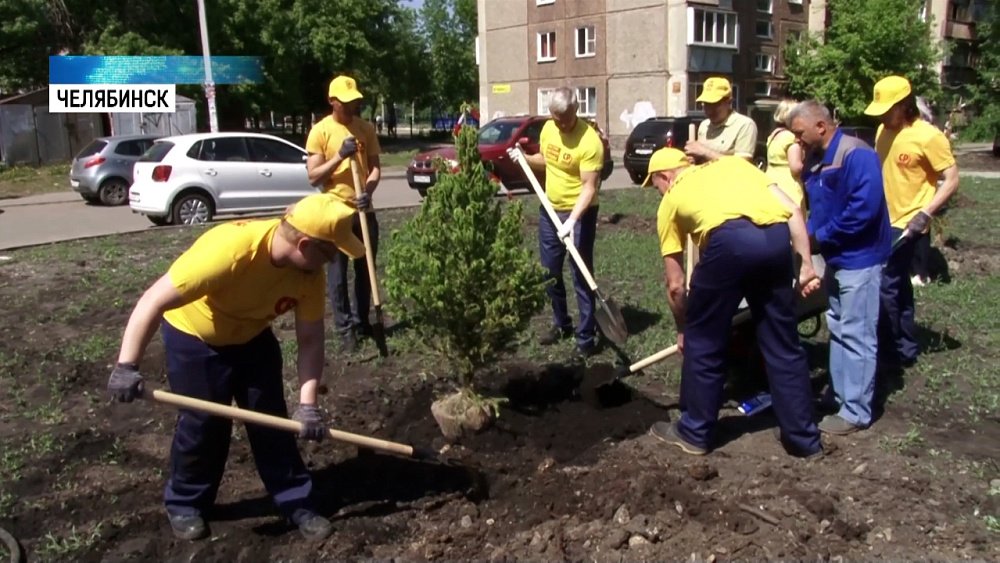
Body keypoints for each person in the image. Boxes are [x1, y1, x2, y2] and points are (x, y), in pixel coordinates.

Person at [106, 194, 366, 541]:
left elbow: (310, 340)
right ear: (304, 244)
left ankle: (295, 499)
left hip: (252, 338)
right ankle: (186, 503)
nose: (332, 261)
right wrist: (127, 364)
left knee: (271, 420)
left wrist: (308, 406)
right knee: (203, 424)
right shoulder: (229, 251)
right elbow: (152, 300)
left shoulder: (308, 275)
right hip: (195, 338)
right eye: (330, 252)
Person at [642, 148, 823, 458]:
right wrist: (805, 263)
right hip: (776, 240)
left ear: (665, 176)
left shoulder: (672, 199)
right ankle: (804, 440)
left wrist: (684, 328)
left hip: (730, 243)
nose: (658, 192)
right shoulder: (736, 166)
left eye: (655, 185)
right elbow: (793, 209)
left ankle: (694, 432)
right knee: (782, 342)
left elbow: (675, 286)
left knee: (706, 340)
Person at [789, 100, 892, 435]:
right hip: (837, 257)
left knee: (858, 333)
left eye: (799, 133)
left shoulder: (856, 154)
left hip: (859, 259)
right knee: (839, 327)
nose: (797, 141)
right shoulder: (816, 159)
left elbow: (864, 210)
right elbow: (815, 208)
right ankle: (839, 395)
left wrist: (819, 238)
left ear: (821, 126)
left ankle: (855, 412)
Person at [863, 76, 959, 370]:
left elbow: (952, 179)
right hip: (882, 219)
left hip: (908, 223)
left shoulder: (928, 136)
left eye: (887, 109)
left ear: (904, 106)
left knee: (885, 285)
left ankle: (888, 353)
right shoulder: (883, 130)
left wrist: (926, 213)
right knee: (899, 286)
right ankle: (905, 348)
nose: (881, 115)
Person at [521, 87, 605, 356]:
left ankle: (585, 336)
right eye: (556, 118)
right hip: (549, 209)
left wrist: (572, 221)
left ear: (576, 110)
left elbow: (589, 187)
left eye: (566, 118)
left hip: (580, 213)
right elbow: (545, 160)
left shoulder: (589, 141)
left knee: (580, 272)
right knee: (549, 272)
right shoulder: (548, 129)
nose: (561, 124)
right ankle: (561, 322)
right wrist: (523, 158)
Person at [305, 75, 382, 353]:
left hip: (363, 209)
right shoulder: (320, 131)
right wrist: (338, 156)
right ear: (332, 102)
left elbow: (374, 168)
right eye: (347, 103)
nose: (352, 107)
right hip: (334, 212)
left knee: (366, 268)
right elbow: (313, 177)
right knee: (337, 273)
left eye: (355, 102)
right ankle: (345, 329)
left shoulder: (366, 129)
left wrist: (368, 191)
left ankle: (363, 322)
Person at [684, 77, 758, 163]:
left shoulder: (745, 125)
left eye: (715, 104)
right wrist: (695, 158)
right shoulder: (704, 126)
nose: (710, 110)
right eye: (706, 104)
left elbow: (742, 165)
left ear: (729, 102)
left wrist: (704, 152)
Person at [764, 99, 806, 208]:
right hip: (788, 185)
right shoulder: (791, 138)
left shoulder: (774, 135)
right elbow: (795, 168)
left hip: (772, 182)